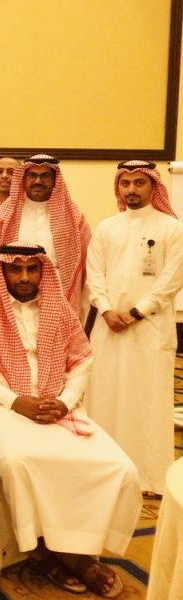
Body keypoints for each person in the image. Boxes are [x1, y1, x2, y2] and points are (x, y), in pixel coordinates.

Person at [0, 244, 141, 599]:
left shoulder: (60, 310)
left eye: (32, 269)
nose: (24, 277)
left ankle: (74, 546)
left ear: (42, 272)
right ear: (3, 271)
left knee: (119, 468)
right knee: (18, 462)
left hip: (59, 407)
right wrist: (16, 402)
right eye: (16, 269)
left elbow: (82, 362)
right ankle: (54, 552)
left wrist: (65, 402)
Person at [86, 161, 183, 497]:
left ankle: (149, 478)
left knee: (148, 401)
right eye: (125, 183)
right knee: (105, 397)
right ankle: (104, 470)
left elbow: (172, 279)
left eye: (139, 182)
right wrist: (106, 309)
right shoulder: (107, 227)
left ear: (153, 186)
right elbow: (94, 274)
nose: (131, 189)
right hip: (108, 327)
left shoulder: (171, 228)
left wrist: (137, 312)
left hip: (149, 329)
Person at [0, 154, 91, 315]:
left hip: (59, 294)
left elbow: (87, 265)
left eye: (45, 176)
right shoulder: (5, 213)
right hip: (14, 296)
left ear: (55, 180)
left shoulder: (73, 217)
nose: (38, 181)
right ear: (24, 179)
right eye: (32, 175)